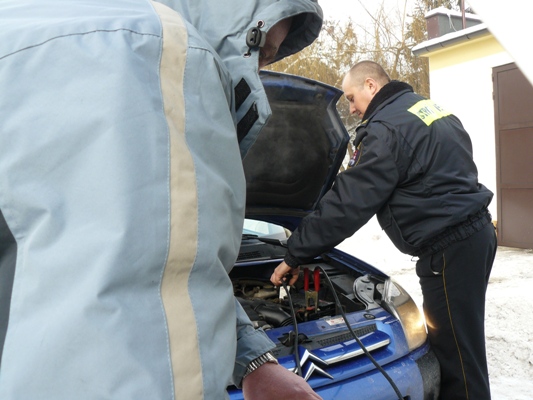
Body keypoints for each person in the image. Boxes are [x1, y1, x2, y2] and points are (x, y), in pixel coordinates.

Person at [0, 1, 324, 399]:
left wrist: (253, 359)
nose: (258, 71)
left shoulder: (32, 31)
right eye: (262, 53)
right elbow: (134, 332)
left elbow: (150, 271)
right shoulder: (152, 58)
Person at [271, 60, 497, 400]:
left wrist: (295, 252)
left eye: (351, 97)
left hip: (448, 248)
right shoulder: (427, 108)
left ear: (371, 86)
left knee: (458, 361)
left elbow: (350, 201)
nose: (351, 108)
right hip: (476, 234)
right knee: (465, 346)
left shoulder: (385, 128)